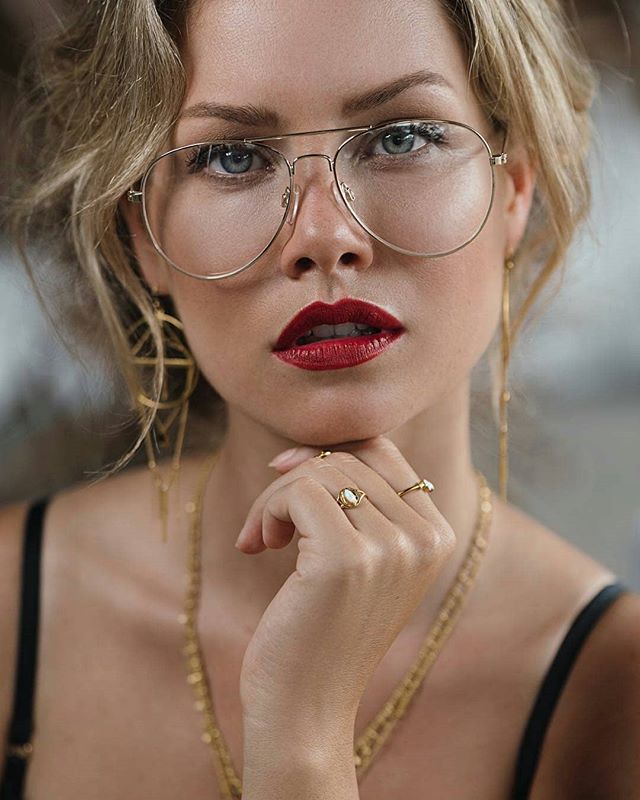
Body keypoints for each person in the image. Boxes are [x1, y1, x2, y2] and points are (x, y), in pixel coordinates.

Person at [1, 1, 639, 798]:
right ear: (143, 236)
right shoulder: (12, 604)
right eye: (233, 156)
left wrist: (302, 740)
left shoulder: (614, 688)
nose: (324, 235)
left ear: (513, 191)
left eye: (401, 138)